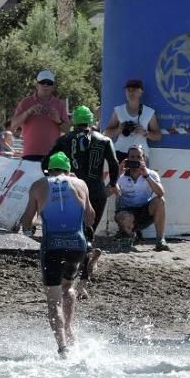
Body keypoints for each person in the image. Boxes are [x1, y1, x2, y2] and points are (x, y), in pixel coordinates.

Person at [18, 152, 94, 356]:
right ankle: (69, 330)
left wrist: (30, 228)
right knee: (68, 287)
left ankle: (62, 347)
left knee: (53, 299)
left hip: (52, 246)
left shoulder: (38, 185)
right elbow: (90, 218)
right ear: (68, 170)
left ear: (48, 169)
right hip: (77, 246)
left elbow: (27, 221)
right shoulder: (81, 184)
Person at [48, 105, 120, 292]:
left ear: (74, 121)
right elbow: (114, 164)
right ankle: (83, 282)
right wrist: (112, 183)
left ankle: (73, 275)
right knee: (87, 234)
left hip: (71, 190)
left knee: (72, 233)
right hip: (96, 191)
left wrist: (54, 182)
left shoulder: (64, 139)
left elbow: (46, 162)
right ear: (90, 121)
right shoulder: (104, 140)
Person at [113, 145, 170, 251]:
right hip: (126, 212)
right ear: (127, 159)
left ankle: (160, 240)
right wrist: (118, 174)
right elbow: (108, 192)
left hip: (145, 212)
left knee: (160, 201)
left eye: (138, 157)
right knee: (125, 216)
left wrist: (146, 176)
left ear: (144, 159)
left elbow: (160, 193)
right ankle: (129, 236)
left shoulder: (151, 174)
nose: (135, 160)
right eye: (132, 157)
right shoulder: (121, 175)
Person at [10, 70, 70, 161]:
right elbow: (13, 125)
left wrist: (58, 120)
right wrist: (28, 112)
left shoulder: (59, 104)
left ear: (53, 86)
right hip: (29, 154)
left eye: (49, 83)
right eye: (42, 82)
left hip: (53, 156)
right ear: (37, 85)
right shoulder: (25, 102)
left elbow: (68, 130)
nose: (45, 85)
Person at [103, 78, 162, 161]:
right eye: (128, 90)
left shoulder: (149, 112)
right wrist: (119, 130)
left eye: (134, 90)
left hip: (140, 153)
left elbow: (158, 136)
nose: (131, 93)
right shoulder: (118, 110)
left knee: (142, 174)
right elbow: (107, 133)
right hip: (120, 152)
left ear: (141, 92)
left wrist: (145, 133)